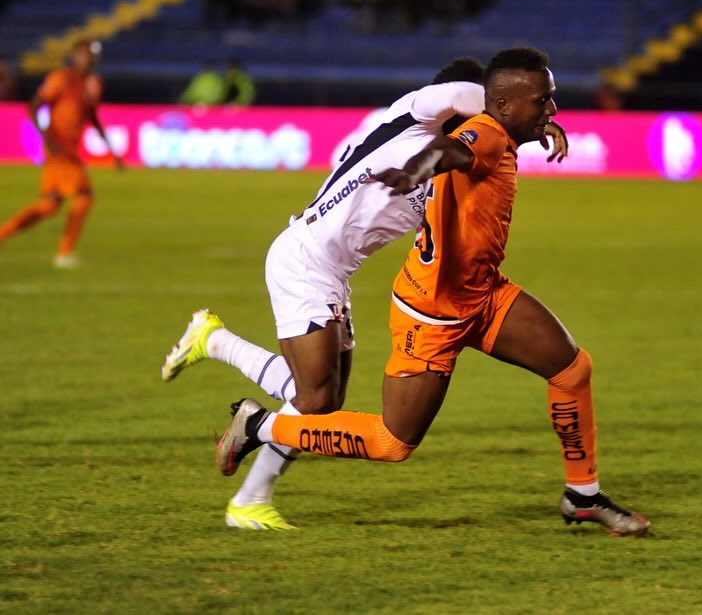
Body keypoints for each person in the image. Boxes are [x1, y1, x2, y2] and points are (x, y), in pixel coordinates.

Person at [214, 48, 650, 536]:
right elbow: (454, 149)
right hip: (432, 315)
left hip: (484, 295)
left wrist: (537, 124)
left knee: (572, 369)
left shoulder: (502, 131)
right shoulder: (483, 131)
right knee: (392, 442)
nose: (553, 110)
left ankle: (582, 495)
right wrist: (419, 169)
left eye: (553, 99)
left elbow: (465, 141)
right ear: (501, 104)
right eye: (544, 101)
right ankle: (261, 427)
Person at [0, 40, 122, 267]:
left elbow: (92, 117)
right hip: (59, 148)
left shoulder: (92, 84)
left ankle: (3, 234)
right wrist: (46, 136)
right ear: (74, 55)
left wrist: (112, 150)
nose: (90, 59)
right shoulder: (61, 78)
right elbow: (35, 105)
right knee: (85, 195)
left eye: (94, 56)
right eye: (86, 54)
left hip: (68, 150)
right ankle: (64, 253)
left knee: (50, 206)